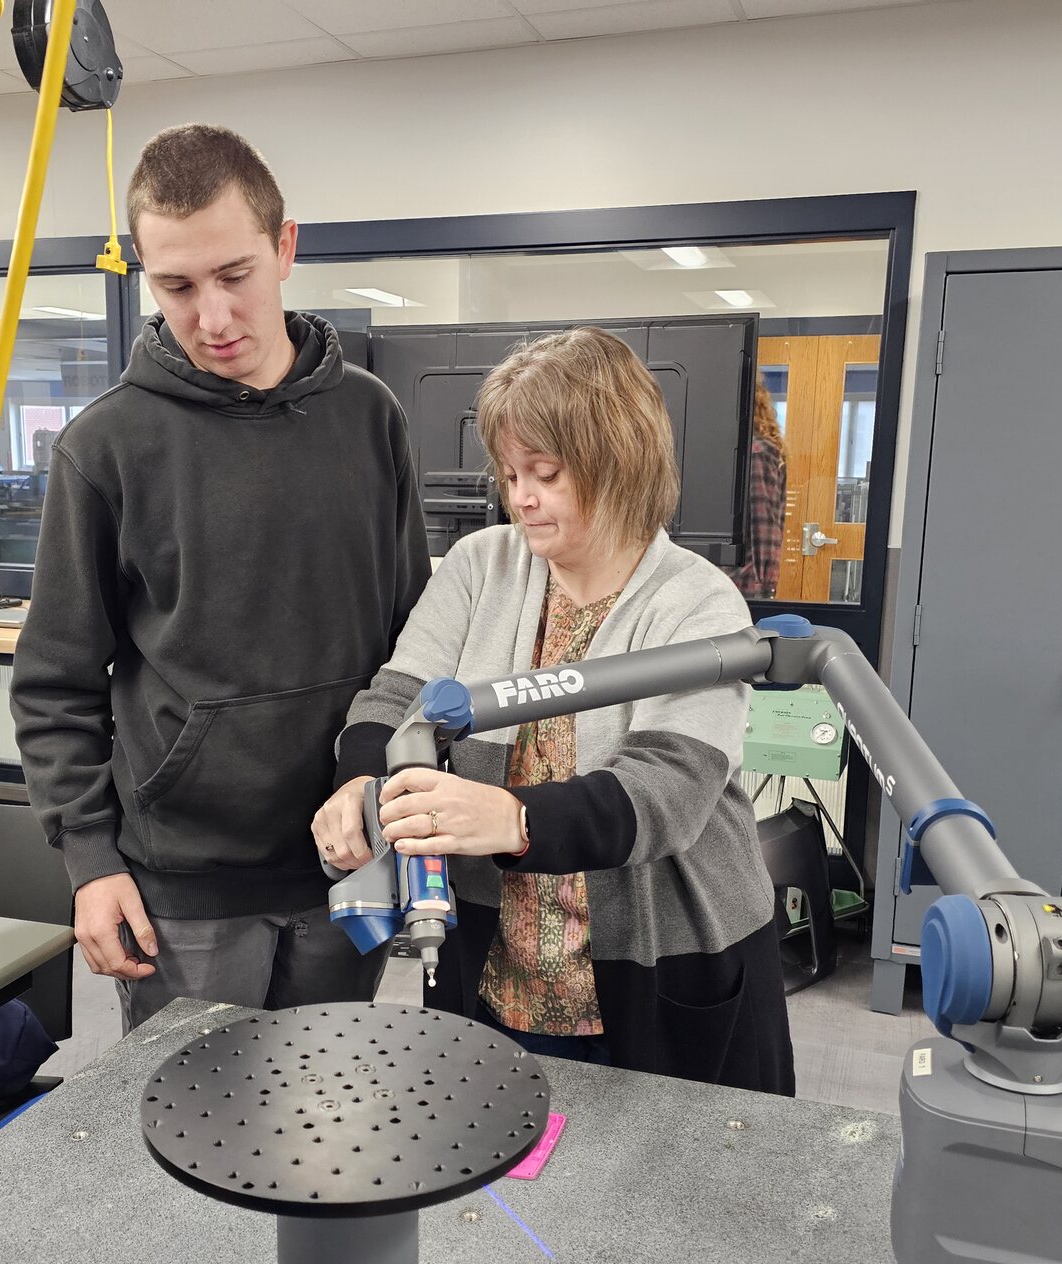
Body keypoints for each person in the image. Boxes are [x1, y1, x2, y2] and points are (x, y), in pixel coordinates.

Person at [11, 124, 429, 1033]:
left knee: (332, 1105)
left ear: (285, 248)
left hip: (347, 858)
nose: (211, 317)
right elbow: (54, 682)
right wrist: (90, 860)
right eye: (177, 286)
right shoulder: (105, 446)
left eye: (234, 275)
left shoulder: (371, 418)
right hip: (182, 890)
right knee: (190, 1109)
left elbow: (413, 641)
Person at [313, 328, 794, 1095]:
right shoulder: (481, 565)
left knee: (661, 1165)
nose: (521, 497)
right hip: (500, 971)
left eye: (546, 473)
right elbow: (397, 695)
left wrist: (510, 818)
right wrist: (357, 783)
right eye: (510, 474)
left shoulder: (697, 600)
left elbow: (666, 791)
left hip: (661, 965)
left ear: (619, 463)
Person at [731, 378, 787, 599]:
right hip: (738, 580)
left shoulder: (756, 453)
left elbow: (763, 528)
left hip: (744, 583)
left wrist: (764, 586)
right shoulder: (748, 451)